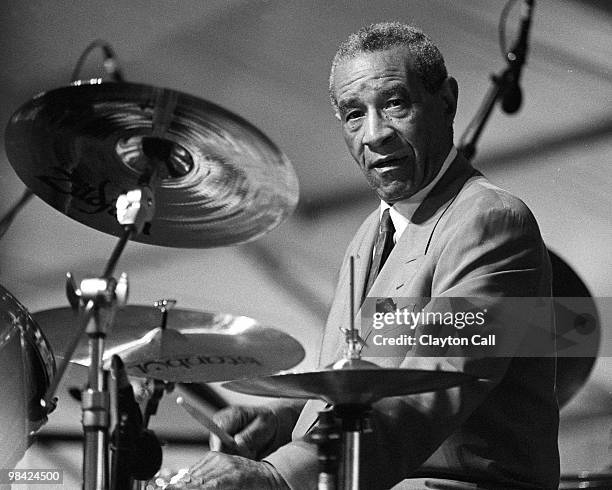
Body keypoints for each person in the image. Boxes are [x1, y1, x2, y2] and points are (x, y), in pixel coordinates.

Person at [176, 22, 559, 489]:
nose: (375, 134)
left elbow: (430, 392)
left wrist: (279, 475)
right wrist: (279, 420)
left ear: (447, 101)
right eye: (354, 114)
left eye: (395, 103)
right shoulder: (369, 235)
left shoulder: (492, 221)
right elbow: (359, 385)